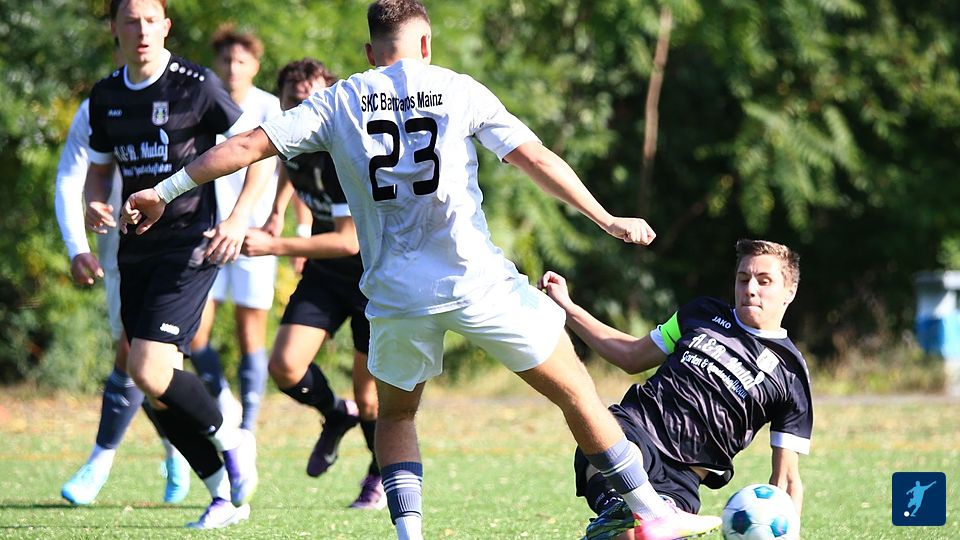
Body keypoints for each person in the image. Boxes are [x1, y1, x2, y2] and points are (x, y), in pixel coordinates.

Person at [119, 2, 721, 539]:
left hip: (395, 294)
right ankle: (651, 510)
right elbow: (533, 157)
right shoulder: (457, 88)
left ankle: (410, 535)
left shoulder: (339, 99)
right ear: (426, 43)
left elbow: (247, 146)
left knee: (399, 414)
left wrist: (162, 191)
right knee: (576, 393)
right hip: (476, 282)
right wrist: (605, 217)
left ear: (369, 52)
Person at [83, 0, 271, 529]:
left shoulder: (196, 84)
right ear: (115, 29)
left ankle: (233, 437)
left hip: (189, 245)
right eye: (131, 21)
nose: (141, 30)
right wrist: (93, 203)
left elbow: (260, 149)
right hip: (134, 250)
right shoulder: (105, 96)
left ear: (165, 26)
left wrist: (237, 219)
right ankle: (222, 496)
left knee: (145, 369)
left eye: (151, 20)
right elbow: (99, 172)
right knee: (157, 389)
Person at [539, 239, 812, 540]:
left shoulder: (791, 373)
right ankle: (618, 510)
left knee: (643, 535)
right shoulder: (702, 314)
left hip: (683, 479)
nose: (750, 289)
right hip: (635, 431)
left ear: (790, 290)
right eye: (743, 278)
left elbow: (787, 478)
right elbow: (631, 355)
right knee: (621, 479)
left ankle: (624, 518)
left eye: (764, 281)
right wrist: (567, 307)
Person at [241, 58, 384, 510]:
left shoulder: (344, 152)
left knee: (370, 397)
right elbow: (287, 166)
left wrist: (275, 244)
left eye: (310, 100)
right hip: (325, 274)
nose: (302, 109)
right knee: (284, 367)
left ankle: (379, 475)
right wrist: (277, 210)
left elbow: (347, 241)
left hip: (372, 279)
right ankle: (334, 415)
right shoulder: (291, 138)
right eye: (292, 100)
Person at [56, 93, 190, 506]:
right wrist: (77, 246)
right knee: (149, 366)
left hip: (177, 250)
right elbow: (72, 176)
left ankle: (100, 462)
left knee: (137, 355)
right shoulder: (99, 103)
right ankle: (183, 452)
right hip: (119, 253)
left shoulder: (186, 92)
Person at [189, 26, 281, 434]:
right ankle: (224, 402)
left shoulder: (270, 107)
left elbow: (287, 166)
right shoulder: (204, 104)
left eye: (241, 60)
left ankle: (248, 426)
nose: (233, 68)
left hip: (252, 236)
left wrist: (286, 217)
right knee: (194, 333)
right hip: (206, 234)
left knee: (250, 333)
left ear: (255, 66)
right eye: (226, 60)